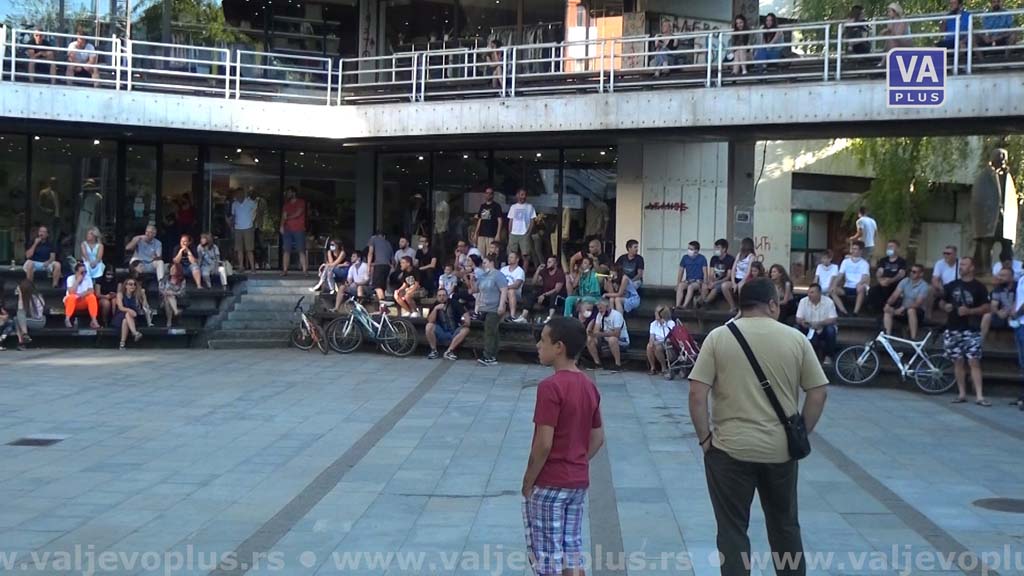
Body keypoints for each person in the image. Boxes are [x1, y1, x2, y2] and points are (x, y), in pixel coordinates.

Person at [689, 278, 828, 576]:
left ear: (740, 305)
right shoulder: (796, 339)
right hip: (780, 451)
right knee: (785, 525)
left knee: (732, 529)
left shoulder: (718, 338)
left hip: (729, 450)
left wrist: (704, 439)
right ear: (773, 304)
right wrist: (801, 431)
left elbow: (697, 394)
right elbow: (818, 392)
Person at [521, 317, 603, 576]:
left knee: (548, 558)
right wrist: (576, 459)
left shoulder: (550, 387)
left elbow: (544, 443)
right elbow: (598, 437)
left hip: (550, 482)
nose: (538, 345)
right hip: (577, 481)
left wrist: (528, 480)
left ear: (559, 347)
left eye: (543, 340)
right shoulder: (588, 386)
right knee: (572, 552)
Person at [941, 257, 991, 406]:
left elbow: (987, 307)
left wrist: (970, 311)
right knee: (958, 362)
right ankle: (961, 393)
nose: (961, 267)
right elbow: (941, 301)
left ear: (972, 267)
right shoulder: (952, 285)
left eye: (964, 264)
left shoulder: (979, 287)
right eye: (960, 264)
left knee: (974, 361)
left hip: (972, 329)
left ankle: (979, 396)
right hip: (953, 328)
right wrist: (945, 306)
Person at [474, 255, 508, 367]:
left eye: (485, 262)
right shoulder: (483, 276)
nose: (483, 265)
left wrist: (501, 305)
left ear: (491, 262)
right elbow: (477, 290)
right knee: (492, 331)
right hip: (484, 306)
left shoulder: (498, 275)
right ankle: (493, 354)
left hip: (494, 307)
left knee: (490, 331)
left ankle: (488, 355)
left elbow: (504, 290)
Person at [884, 264, 930, 340]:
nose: (911, 273)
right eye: (910, 271)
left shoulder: (924, 286)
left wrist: (903, 308)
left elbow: (917, 303)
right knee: (888, 311)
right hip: (903, 310)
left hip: (918, 312)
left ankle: (913, 338)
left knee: (911, 310)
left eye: (914, 272)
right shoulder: (905, 281)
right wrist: (888, 304)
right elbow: (894, 295)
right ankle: (887, 337)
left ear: (921, 274)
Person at [795, 284, 839, 364]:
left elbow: (833, 319)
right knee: (797, 328)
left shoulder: (828, 302)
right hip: (809, 328)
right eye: (808, 292)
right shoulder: (803, 301)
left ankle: (828, 356)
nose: (809, 295)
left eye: (812, 292)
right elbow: (798, 318)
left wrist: (820, 323)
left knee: (831, 330)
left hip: (823, 328)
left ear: (819, 293)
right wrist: (802, 322)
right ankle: (803, 357)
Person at [425, 287, 471, 360]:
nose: (442, 297)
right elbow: (430, 320)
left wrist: (467, 322)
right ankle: (434, 351)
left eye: (444, 295)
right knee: (429, 326)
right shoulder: (435, 305)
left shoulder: (454, 303)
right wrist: (435, 309)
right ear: (437, 297)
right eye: (439, 296)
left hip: (454, 331)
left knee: (466, 330)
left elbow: (465, 313)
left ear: (447, 296)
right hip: (441, 332)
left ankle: (449, 351)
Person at [586, 298, 629, 372]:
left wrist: (601, 334)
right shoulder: (599, 315)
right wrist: (592, 333)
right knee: (589, 339)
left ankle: (618, 364)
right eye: (598, 308)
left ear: (607, 307)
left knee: (612, 339)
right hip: (605, 339)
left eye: (601, 308)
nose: (599, 310)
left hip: (621, 341)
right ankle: (597, 363)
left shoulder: (616, 315)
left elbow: (617, 333)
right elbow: (596, 330)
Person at [832, 241, 870, 316]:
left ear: (860, 251)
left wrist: (859, 283)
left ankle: (855, 312)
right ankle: (843, 311)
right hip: (847, 286)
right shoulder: (845, 262)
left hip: (858, 287)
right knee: (832, 290)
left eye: (855, 249)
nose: (853, 251)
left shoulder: (864, 263)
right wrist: (834, 285)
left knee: (861, 288)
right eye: (852, 249)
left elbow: (865, 277)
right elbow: (840, 275)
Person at [869, 240, 908, 312]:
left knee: (886, 289)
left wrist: (890, 280)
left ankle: (885, 310)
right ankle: (875, 310)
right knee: (872, 290)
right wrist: (880, 280)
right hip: (883, 282)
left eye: (891, 246)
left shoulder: (902, 261)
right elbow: (879, 271)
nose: (889, 248)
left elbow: (901, 274)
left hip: (896, 284)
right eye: (888, 246)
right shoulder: (883, 260)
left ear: (897, 249)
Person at [722, 237, 756, 314]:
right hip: (737, 278)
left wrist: (742, 281)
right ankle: (733, 306)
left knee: (741, 287)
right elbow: (733, 269)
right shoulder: (739, 255)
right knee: (724, 286)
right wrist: (733, 282)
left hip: (746, 279)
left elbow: (748, 271)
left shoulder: (751, 257)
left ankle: (741, 308)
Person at [528, 256, 567, 324]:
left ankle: (550, 317)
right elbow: (534, 283)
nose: (547, 264)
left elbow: (557, 289)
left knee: (554, 295)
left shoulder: (560, 273)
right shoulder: (545, 271)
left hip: (558, 298)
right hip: (546, 297)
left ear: (555, 263)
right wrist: (538, 271)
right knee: (533, 294)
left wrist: (544, 295)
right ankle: (524, 316)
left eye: (550, 262)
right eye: (547, 262)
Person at [981, 267, 1016, 340]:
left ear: (1011, 277)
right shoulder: (998, 289)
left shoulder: (1018, 287)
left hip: (1015, 316)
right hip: (1001, 316)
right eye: (999, 275)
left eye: (1003, 276)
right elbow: (994, 305)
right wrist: (998, 312)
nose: (1000, 278)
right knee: (987, 316)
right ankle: (981, 342)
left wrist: (1010, 313)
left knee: (1014, 319)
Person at [280, 186, 308, 276]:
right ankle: (285, 270)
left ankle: (305, 270)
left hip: (299, 229)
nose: (287, 194)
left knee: (301, 250)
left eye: (289, 192)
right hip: (287, 229)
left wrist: (287, 217)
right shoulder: (286, 204)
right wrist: (281, 225)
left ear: (293, 193)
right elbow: (283, 216)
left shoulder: (301, 202)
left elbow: (298, 213)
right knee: (286, 250)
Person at [228, 188, 258, 273]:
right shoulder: (234, 204)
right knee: (239, 249)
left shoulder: (250, 202)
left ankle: (252, 267)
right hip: (238, 228)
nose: (238, 195)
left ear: (243, 194)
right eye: (237, 194)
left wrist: (253, 223)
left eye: (240, 194)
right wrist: (232, 226)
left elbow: (256, 212)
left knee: (249, 249)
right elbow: (233, 216)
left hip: (248, 227)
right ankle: (241, 267)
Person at [507, 189, 537, 270]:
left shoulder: (530, 207)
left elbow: (532, 221)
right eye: (521, 195)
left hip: (524, 234)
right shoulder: (513, 207)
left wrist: (529, 232)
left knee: (525, 256)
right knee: (512, 255)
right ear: (517, 195)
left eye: (524, 195)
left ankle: (523, 274)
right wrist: (510, 232)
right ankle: (513, 272)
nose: (523, 197)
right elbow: (511, 220)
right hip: (514, 233)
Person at [64, 262, 100, 329]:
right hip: (72, 302)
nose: (84, 274)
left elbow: (91, 291)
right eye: (82, 272)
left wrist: (82, 294)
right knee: (72, 297)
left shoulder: (88, 278)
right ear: (76, 272)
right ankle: (67, 319)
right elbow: (71, 292)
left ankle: (94, 320)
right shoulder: (70, 278)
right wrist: (77, 281)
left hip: (83, 301)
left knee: (92, 297)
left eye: (85, 272)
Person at [113, 275, 145, 349]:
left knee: (126, 319)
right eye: (130, 284)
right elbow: (120, 307)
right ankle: (135, 333)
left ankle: (122, 344)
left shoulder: (136, 295)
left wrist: (143, 295)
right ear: (126, 286)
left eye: (134, 284)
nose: (133, 286)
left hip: (133, 316)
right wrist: (129, 310)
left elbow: (144, 306)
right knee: (126, 318)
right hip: (120, 315)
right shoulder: (120, 294)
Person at [14, 280, 46, 348]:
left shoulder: (36, 298)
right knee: (17, 319)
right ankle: (23, 340)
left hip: (39, 321)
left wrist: (20, 295)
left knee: (18, 317)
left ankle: (23, 338)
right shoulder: (27, 298)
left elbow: (20, 309)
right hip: (30, 320)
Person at [677, 241, 708, 309]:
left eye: (691, 249)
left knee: (690, 287)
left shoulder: (702, 258)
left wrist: (705, 283)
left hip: (698, 281)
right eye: (688, 248)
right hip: (688, 280)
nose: (689, 250)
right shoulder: (685, 258)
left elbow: (705, 273)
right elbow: (680, 271)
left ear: (696, 250)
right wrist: (678, 283)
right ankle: (677, 305)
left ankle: (684, 306)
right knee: (680, 286)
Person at [647, 305, 677, 376]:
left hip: (668, 343)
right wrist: (651, 343)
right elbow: (652, 336)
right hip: (657, 343)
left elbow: (671, 338)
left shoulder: (671, 323)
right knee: (649, 346)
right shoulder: (653, 324)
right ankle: (653, 368)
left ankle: (664, 368)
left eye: (657, 312)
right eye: (655, 312)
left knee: (657, 347)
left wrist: (658, 342)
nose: (655, 313)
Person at [704, 239, 735, 307]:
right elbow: (711, 274)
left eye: (718, 248)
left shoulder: (730, 259)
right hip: (714, 281)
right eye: (715, 248)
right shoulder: (714, 258)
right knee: (704, 286)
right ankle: (702, 302)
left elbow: (728, 277)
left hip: (723, 281)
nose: (716, 250)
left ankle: (704, 303)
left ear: (724, 249)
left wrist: (715, 283)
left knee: (715, 289)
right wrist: (710, 281)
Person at [474, 186, 504, 254]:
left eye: (490, 193)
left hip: (492, 234)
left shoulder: (496, 206)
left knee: (491, 254)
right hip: (482, 234)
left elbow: (500, 221)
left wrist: (498, 234)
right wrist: (476, 233)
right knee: (480, 254)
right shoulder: (482, 206)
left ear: (493, 195)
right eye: (487, 193)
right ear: (485, 194)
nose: (488, 195)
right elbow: (480, 220)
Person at [500, 251, 528, 323]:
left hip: (516, 293)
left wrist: (505, 289)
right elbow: (498, 281)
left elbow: (516, 285)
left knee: (511, 291)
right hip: (502, 291)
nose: (509, 259)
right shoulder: (503, 269)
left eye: (511, 257)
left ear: (517, 259)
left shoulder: (520, 271)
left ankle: (512, 316)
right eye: (509, 257)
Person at [367, 230, 394, 303]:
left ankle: (382, 305)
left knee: (377, 286)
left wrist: (368, 266)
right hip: (387, 266)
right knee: (382, 287)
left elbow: (370, 253)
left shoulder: (373, 239)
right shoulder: (388, 243)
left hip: (379, 265)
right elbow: (392, 259)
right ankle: (382, 305)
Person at [160, 263, 188, 329]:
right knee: (168, 296)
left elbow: (182, 292)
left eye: (174, 269)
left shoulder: (182, 280)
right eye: (171, 268)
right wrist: (166, 292)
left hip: (177, 300)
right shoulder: (165, 278)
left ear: (178, 270)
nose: (171, 270)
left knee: (169, 298)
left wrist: (173, 293)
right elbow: (160, 289)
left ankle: (169, 321)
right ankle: (176, 311)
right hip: (163, 300)